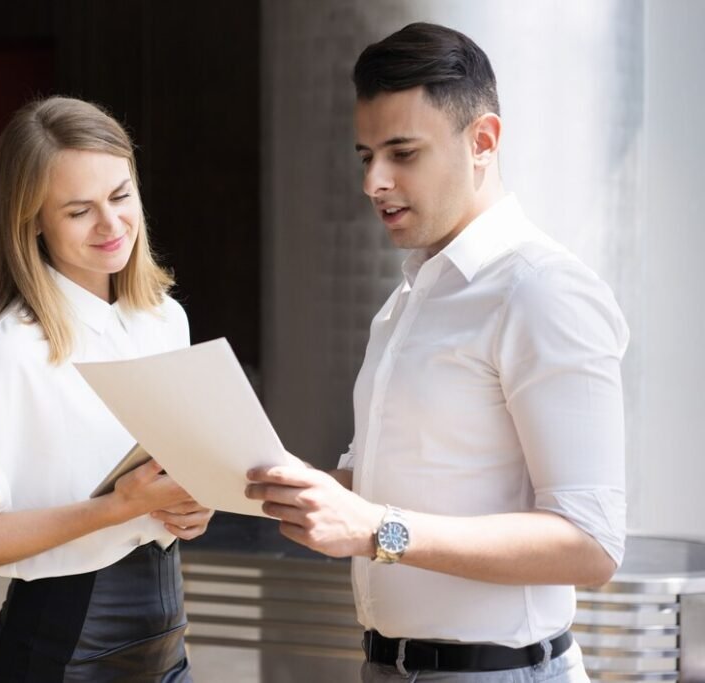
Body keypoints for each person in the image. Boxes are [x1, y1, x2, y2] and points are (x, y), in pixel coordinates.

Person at [245, 22, 628, 681]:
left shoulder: (542, 292)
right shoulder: (408, 299)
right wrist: (283, 484)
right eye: (366, 156)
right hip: (387, 667)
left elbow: (591, 544)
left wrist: (377, 531)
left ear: (482, 141)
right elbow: (391, 485)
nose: (374, 181)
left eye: (402, 153)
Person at [0, 96, 212, 682]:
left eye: (120, 195)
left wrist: (192, 506)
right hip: (61, 650)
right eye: (79, 210)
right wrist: (114, 509)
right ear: (32, 221)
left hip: (166, 635)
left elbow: (171, 475)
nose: (111, 224)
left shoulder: (166, 319)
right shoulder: (10, 352)